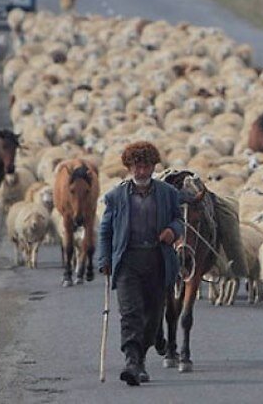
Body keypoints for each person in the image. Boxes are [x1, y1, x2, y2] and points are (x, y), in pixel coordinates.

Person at [97, 141, 184, 387]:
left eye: (145, 166)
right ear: (129, 167)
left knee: (153, 318)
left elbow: (179, 219)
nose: (141, 172)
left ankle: (142, 357)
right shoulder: (116, 196)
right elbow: (105, 230)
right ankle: (132, 362)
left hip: (157, 260)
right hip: (128, 262)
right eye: (136, 166)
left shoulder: (168, 194)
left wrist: (172, 230)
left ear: (153, 167)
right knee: (130, 313)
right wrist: (105, 259)